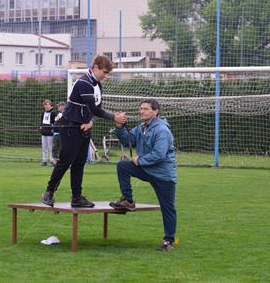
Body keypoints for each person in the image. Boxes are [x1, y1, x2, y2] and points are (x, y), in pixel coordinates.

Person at [42, 55, 126, 208]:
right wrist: (114, 116)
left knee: (80, 163)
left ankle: (76, 197)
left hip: (84, 127)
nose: (106, 76)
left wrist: (91, 121)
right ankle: (49, 192)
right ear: (95, 67)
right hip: (70, 126)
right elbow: (94, 108)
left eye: (108, 73)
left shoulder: (97, 84)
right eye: (105, 72)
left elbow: (94, 110)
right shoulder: (84, 82)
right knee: (65, 161)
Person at [109, 99, 177, 252]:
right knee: (123, 166)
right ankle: (128, 200)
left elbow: (159, 154)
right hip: (146, 168)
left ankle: (168, 241)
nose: (142, 111)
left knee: (168, 208)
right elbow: (128, 141)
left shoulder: (162, 130)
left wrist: (140, 160)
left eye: (146, 109)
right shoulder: (141, 128)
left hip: (163, 174)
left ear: (156, 111)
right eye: (141, 108)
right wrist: (119, 127)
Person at [40, 99, 56, 166]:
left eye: (47, 104)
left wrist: (52, 129)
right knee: (44, 147)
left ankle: (52, 161)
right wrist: (41, 127)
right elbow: (41, 122)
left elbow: (54, 122)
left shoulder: (53, 113)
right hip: (44, 132)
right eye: (45, 104)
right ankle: (44, 161)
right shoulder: (43, 113)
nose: (46, 106)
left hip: (50, 132)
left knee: (51, 147)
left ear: (50, 105)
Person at [51, 101, 66, 166]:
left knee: (61, 148)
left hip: (61, 134)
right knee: (54, 148)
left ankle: (61, 162)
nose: (58, 107)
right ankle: (55, 162)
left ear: (63, 107)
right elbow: (55, 121)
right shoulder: (58, 113)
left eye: (59, 106)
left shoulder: (65, 114)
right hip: (55, 133)